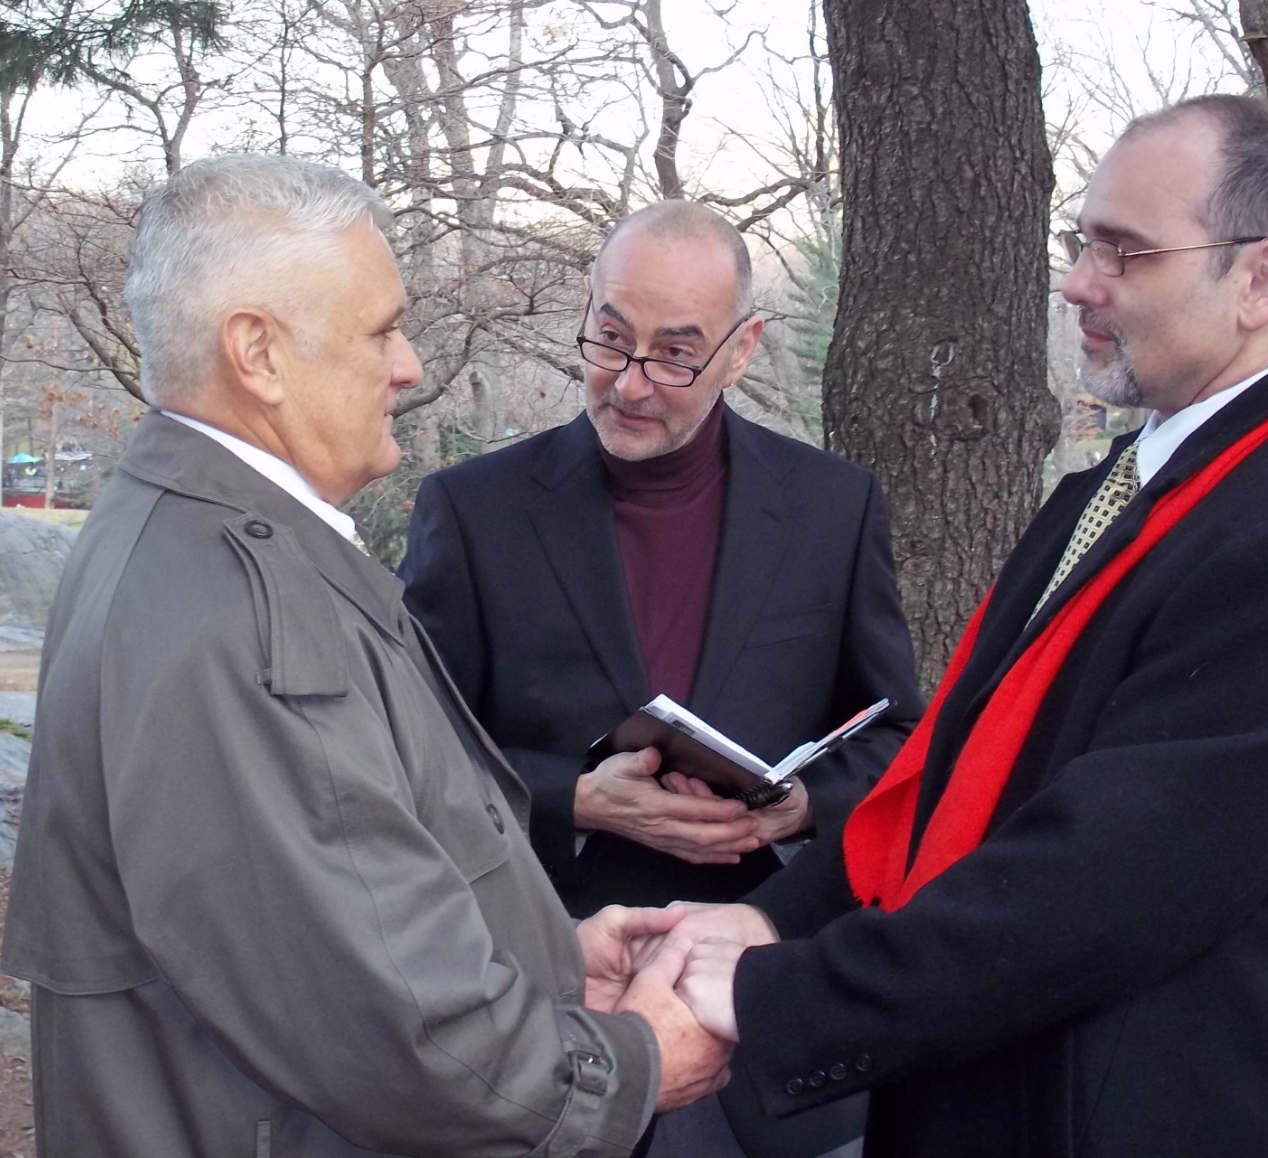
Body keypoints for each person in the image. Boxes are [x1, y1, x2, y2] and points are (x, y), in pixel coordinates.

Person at [647, 94, 1268, 1158]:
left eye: (1123, 252)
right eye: (1083, 243)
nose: (1078, 281)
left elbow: (1097, 889)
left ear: (1261, 280)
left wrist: (780, 991)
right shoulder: (1130, 485)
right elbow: (963, 779)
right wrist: (777, 918)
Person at [0, 155, 729, 1158]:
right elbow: (401, 1033)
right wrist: (632, 1062)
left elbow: (309, 928)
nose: (409, 365)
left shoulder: (203, 541)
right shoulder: (239, 615)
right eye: (381, 329)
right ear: (256, 353)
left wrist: (546, 959)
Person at [399, 201, 921, 1158]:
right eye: (610, 338)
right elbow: (409, 754)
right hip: (547, 992)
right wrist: (580, 801)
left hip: (765, 991)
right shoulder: (474, 511)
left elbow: (896, 740)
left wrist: (797, 807)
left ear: (742, 348)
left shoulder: (831, 507)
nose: (630, 383)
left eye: (675, 353)